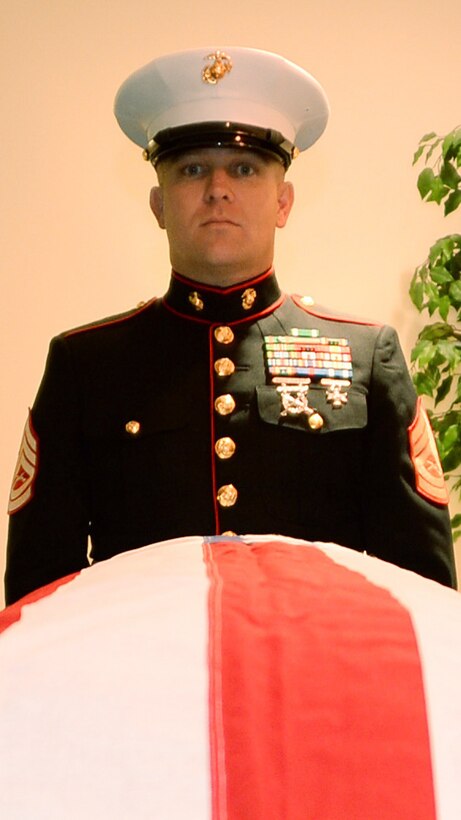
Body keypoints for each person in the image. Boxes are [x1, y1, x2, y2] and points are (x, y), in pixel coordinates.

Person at [4, 46, 456, 605]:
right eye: (192, 169)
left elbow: (425, 592)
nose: (218, 188)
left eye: (244, 169)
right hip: (139, 681)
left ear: (283, 202)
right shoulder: (86, 365)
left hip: (320, 677)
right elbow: (37, 592)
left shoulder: (365, 355)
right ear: (158, 206)